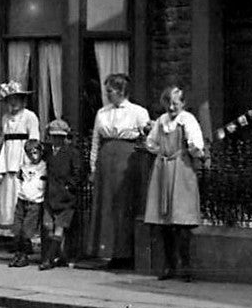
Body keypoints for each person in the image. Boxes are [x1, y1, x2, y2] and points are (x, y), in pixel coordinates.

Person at [88, 72, 150, 269]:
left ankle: (126, 253)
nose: (108, 94)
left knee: (124, 205)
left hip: (127, 161)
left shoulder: (138, 112)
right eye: (107, 91)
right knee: (106, 205)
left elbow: (148, 138)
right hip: (106, 161)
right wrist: (93, 166)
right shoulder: (102, 113)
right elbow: (95, 140)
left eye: (111, 91)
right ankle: (108, 252)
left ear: (122, 91)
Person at [145, 86, 206, 281]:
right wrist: (162, 153)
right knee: (165, 222)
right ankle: (169, 266)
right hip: (163, 169)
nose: (171, 107)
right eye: (168, 103)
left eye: (175, 103)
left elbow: (196, 144)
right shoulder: (161, 121)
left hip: (181, 169)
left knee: (182, 221)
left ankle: (186, 267)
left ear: (183, 103)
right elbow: (151, 142)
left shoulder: (187, 119)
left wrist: (194, 152)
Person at [0, 80, 39, 238]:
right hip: (7, 158)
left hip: (22, 156)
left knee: (21, 192)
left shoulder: (30, 117)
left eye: (16, 99)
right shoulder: (5, 118)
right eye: (10, 100)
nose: (13, 103)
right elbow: (3, 139)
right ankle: (8, 229)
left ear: (22, 100)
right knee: (7, 192)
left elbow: (34, 140)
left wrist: (30, 162)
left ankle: (22, 231)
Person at [40, 118, 83, 271]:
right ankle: (59, 256)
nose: (57, 140)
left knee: (60, 227)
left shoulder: (72, 153)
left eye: (60, 137)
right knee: (48, 226)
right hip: (50, 194)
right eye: (54, 136)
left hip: (66, 197)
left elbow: (78, 173)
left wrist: (69, 186)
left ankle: (49, 259)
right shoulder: (47, 153)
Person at [10, 140, 46, 268]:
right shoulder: (24, 167)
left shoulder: (44, 167)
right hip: (22, 200)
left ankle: (24, 255)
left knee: (27, 230)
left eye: (35, 153)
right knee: (17, 229)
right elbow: (19, 180)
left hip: (35, 202)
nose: (33, 156)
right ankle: (18, 254)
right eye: (30, 153)